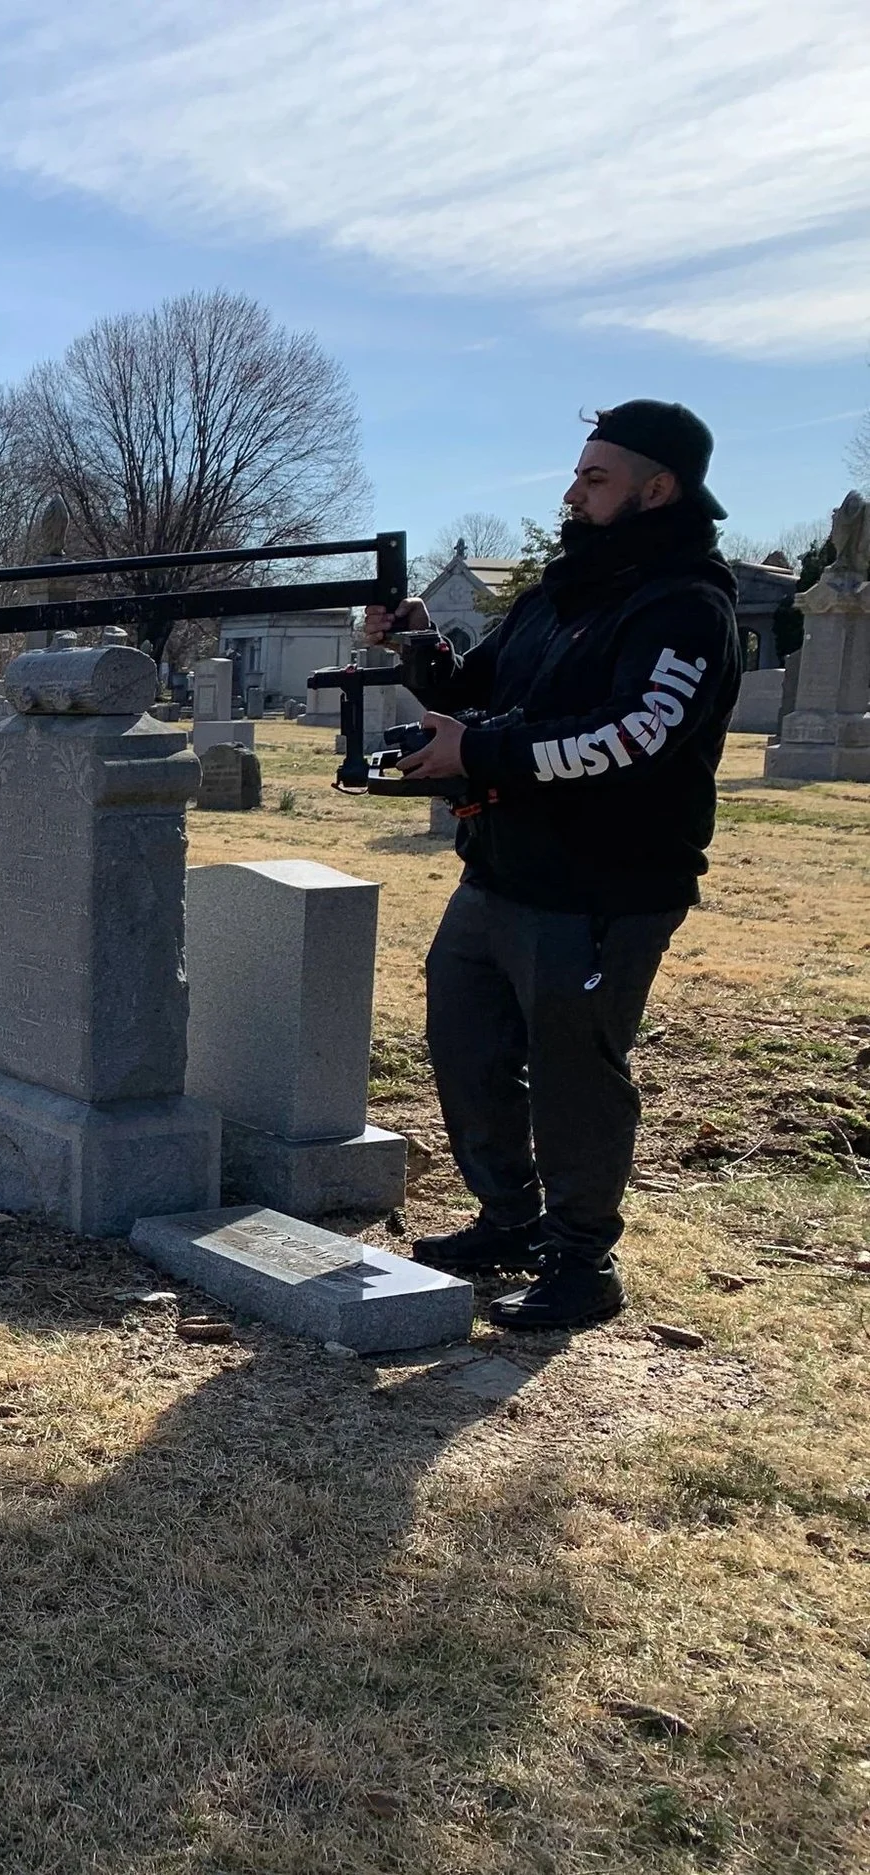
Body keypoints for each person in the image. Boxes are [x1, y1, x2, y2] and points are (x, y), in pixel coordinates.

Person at [364, 401, 738, 1330]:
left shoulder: (686, 606)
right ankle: (509, 1220)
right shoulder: (559, 591)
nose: (573, 493)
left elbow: (635, 734)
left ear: (659, 489)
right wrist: (416, 639)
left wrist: (481, 756)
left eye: (596, 478)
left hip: (604, 890)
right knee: (467, 1045)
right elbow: (470, 687)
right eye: (577, 474)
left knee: (576, 1075)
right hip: (500, 871)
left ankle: (582, 1263)